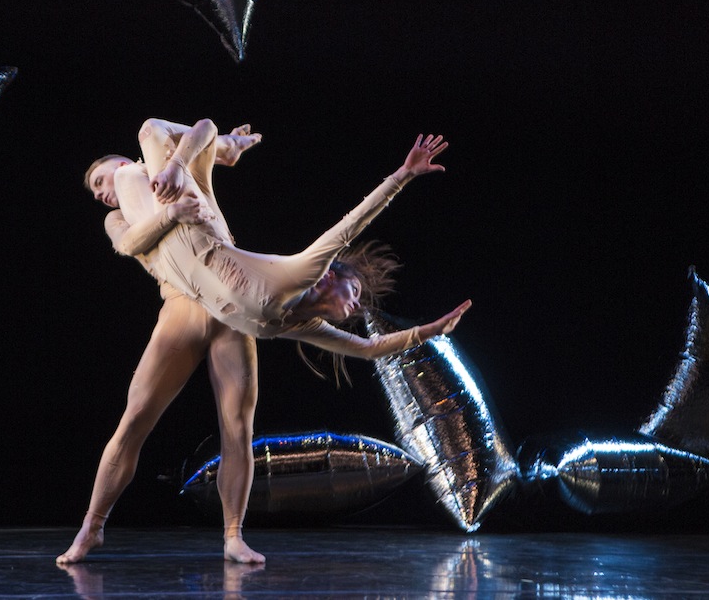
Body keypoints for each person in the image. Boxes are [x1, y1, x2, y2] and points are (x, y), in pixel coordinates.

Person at [90, 117, 471, 366]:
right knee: (150, 134)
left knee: (151, 175)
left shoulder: (299, 326)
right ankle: (220, 147)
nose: (357, 304)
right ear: (327, 278)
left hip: (177, 253)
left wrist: (430, 331)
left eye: (355, 298)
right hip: (192, 226)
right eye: (353, 290)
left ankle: (219, 150)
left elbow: (369, 350)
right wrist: (403, 175)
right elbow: (349, 227)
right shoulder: (298, 275)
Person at [57, 125, 266, 566]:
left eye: (100, 181)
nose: (101, 194)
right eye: (97, 193)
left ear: (122, 163)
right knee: (135, 419)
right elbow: (129, 244)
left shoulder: (165, 170)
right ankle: (92, 527)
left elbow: (201, 133)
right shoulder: (119, 217)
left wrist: (227, 146)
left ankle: (233, 535)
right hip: (181, 308)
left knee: (237, 425)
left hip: (230, 303)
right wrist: (171, 215)